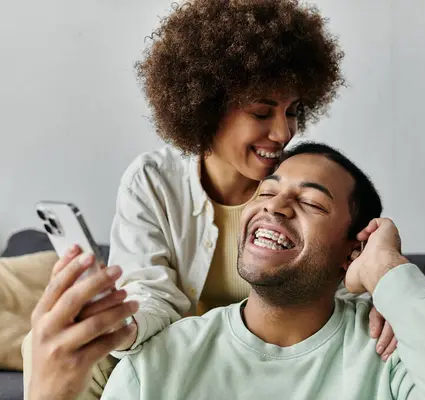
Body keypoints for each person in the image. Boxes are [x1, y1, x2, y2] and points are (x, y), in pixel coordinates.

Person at [22, 1, 396, 398]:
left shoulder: (295, 191)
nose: (283, 132)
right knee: (46, 346)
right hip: (168, 361)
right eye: (261, 113)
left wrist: (389, 294)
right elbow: (149, 294)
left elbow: (321, 287)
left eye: (292, 111)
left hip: (266, 366)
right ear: (208, 107)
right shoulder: (153, 181)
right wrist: (123, 326)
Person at [28, 142, 425, 400]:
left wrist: (390, 273)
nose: (274, 207)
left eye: (312, 203)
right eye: (269, 190)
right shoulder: (159, 364)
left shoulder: (389, 356)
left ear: (354, 251)